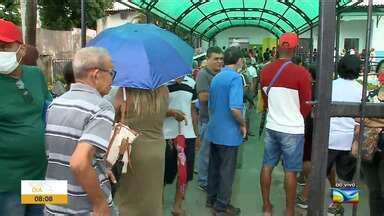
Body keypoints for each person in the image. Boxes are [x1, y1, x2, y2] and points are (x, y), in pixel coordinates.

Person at [44, 47, 116, 216]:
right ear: (96, 74)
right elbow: (79, 162)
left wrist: (99, 164)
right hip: (84, 206)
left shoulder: (56, 103)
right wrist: (99, 203)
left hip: (54, 202)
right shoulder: (101, 107)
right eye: (111, 73)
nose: (112, 79)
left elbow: (60, 152)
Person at [0, 19, 52, 216]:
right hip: (7, 181)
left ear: (21, 49)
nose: (0, 52)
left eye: (4, 46)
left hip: (41, 174)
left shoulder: (35, 75)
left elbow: (49, 110)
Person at [259, 32, 312, 216]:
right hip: (293, 129)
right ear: (295, 49)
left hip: (272, 126)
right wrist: (297, 118)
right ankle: (289, 211)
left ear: (278, 47)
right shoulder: (302, 73)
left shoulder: (264, 71)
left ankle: (266, 207)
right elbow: (306, 106)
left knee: (267, 165)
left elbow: (265, 101)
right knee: (291, 171)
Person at [112, 85, 185, 216]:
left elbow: (114, 114)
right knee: (153, 194)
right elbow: (158, 112)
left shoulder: (125, 91)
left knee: (128, 194)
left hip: (130, 147)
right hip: (157, 148)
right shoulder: (163, 90)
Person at [206, 46, 246, 216]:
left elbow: (210, 105)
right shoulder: (236, 78)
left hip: (214, 130)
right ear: (239, 61)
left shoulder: (216, 77)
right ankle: (221, 206)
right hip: (229, 133)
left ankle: (212, 198)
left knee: (214, 167)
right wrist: (243, 124)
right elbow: (235, 109)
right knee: (227, 171)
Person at [163, 76, 199, 216]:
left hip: (188, 136)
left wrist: (197, 134)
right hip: (167, 136)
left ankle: (177, 206)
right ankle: (156, 204)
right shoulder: (161, 83)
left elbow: (193, 110)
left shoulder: (191, 83)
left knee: (184, 173)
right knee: (164, 174)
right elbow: (155, 110)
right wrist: (170, 113)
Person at [196, 46, 224, 191]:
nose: (219, 62)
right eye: (216, 59)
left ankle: (211, 178)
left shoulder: (220, 74)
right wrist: (223, 93)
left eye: (221, 59)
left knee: (215, 154)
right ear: (207, 59)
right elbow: (202, 96)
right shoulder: (203, 74)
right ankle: (203, 181)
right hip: (207, 120)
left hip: (219, 121)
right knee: (205, 153)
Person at [359, 59, 384, 216]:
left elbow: (367, 119)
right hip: (370, 148)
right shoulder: (370, 94)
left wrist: (372, 121)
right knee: (374, 190)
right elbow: (360, 118)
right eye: (382, 70)